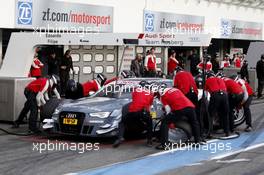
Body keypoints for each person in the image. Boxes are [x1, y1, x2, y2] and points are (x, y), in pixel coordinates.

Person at [113, 81, 154, 148]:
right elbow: (149, 106)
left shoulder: (135, 91)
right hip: (143, 111)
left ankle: (120, 138)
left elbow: (135, 100)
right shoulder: (150, 93)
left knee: (122, 123)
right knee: (150, 123)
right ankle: (149, 141)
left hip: (132, 111)